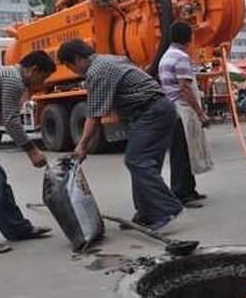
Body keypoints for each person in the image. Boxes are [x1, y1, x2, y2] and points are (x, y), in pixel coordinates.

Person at [57, 39, 183, 231]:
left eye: (70, 66)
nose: (73, 71)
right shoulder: (108, 60)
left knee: (137, 161)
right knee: (145, 163)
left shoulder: (97, 71)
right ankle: (146, 213)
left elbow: (94, 115)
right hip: (156, 110)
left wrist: (81, 145)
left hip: (152, 111)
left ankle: (167, 209)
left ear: (77, 59)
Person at [0, 50, 56, 255]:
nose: (42, 82)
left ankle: (17, 229)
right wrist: (32, 151)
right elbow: (11, 120)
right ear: (33, 70)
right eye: (44, 76)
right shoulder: (14, 80)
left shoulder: (9, 75)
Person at [158, 21, 213, 207]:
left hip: (171, 110)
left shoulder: (166, 57)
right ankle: (181, 194)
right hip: (182, 111)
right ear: (188, 38)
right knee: (182, 154)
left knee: (183, 151)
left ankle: (189, 190)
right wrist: (201, 114)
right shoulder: (181, 57)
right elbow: (185, 88)